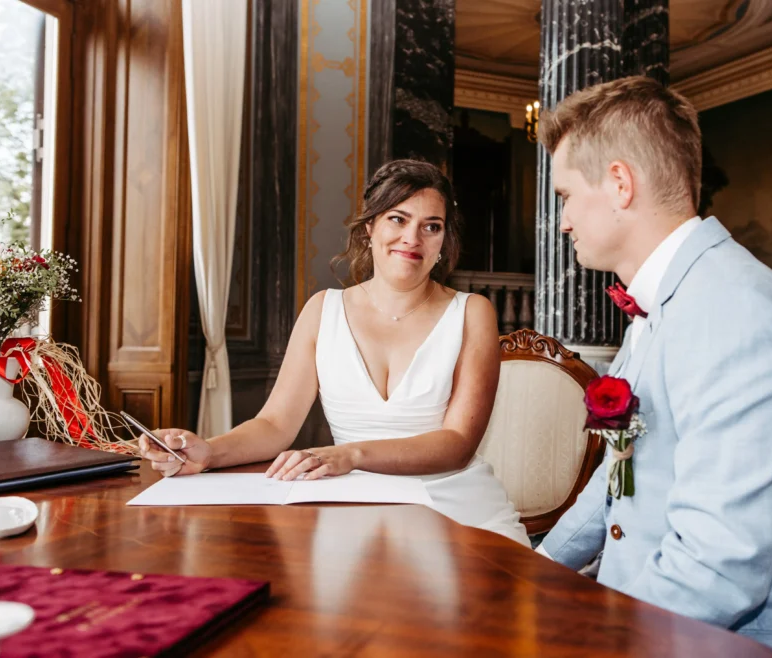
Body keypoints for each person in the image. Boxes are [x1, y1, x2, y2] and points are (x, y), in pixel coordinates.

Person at [534, 77, 772, 657]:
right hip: (651, 618)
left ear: (619, 184)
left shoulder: (735, 314)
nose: (561, 221)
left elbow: (719, 569)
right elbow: (619, 480)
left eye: (564, 195)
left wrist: (586, 639)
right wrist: (533, 574)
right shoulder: (665, 305)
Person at [138, 159, 529, 546]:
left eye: (432, 227)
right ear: (369, 228)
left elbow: (458, 444)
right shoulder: (323, 309)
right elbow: (275, 425)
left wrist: (351, 454)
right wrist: (209, 452)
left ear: (444, 242)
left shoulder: (472, 312)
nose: (413, 237)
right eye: (398, 218)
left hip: (456, 507)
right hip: (352, 506)